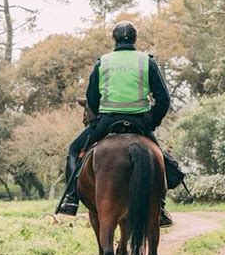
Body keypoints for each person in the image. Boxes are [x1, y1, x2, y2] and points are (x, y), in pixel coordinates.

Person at [58, 21, 172, 224]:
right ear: (135, 39)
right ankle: (160, 207)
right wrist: (151, 121)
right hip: (140, 122)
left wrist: (97, 119)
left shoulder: (103, 62)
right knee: (162, 159)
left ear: (115, 39)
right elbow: (163, 98)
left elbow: (91, 98)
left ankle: (71, 199)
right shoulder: (147, 61)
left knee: (74, 150)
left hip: (107, 121)